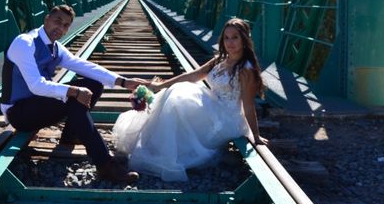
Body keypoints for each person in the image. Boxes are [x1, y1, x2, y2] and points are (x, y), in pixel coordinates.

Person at [0, 4, 147, 183]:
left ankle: (72, 134)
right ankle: (105, 164)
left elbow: (83, 65)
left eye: (66, 25)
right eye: (57, 22)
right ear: (46, 20)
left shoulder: (55, 47)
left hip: (38, 106)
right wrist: (74, 91)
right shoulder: (25, 42)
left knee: (93, 84)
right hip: (19, 113)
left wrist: (122, 81)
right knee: (73, 97)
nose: (60, 28)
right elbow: (36, 85)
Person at [112, 17, 267, 182]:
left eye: (235, 37)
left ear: (245, 39)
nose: (230, 42)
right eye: (227, 37)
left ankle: (165, 154)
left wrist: (256, 136)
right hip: (212, 105)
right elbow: (192, 75)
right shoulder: (221, 59)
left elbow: (248, 105)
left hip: (226, 118)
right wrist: (160, 86)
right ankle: (157, 149)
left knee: (178, 101)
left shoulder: (246, 69)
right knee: (175, 92)